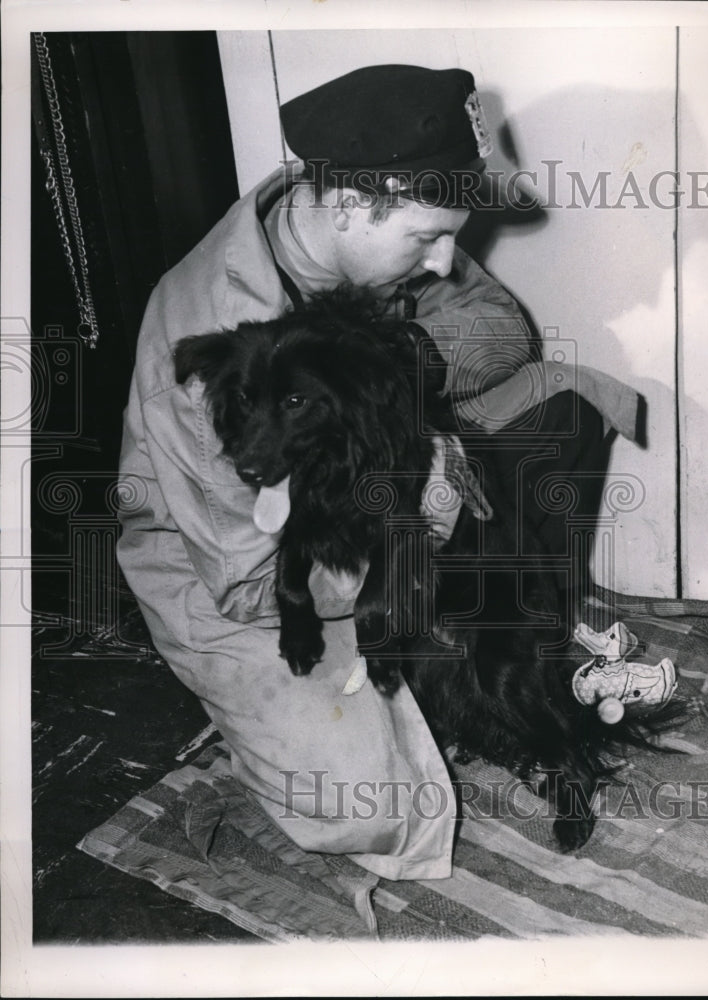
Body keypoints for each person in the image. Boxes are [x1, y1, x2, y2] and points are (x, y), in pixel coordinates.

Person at [116, 64, 639, 890]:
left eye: (449, 238)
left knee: (564, 405)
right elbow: (250, 583)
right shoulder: (213, 343)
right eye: (426, 239)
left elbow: (501, 330)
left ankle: (502, 631)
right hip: (235, 569)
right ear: (358, 204)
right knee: (369, 803)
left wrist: (410, 377)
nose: (441, 265)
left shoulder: (369, 224)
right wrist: (417, 526)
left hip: (374, 489)